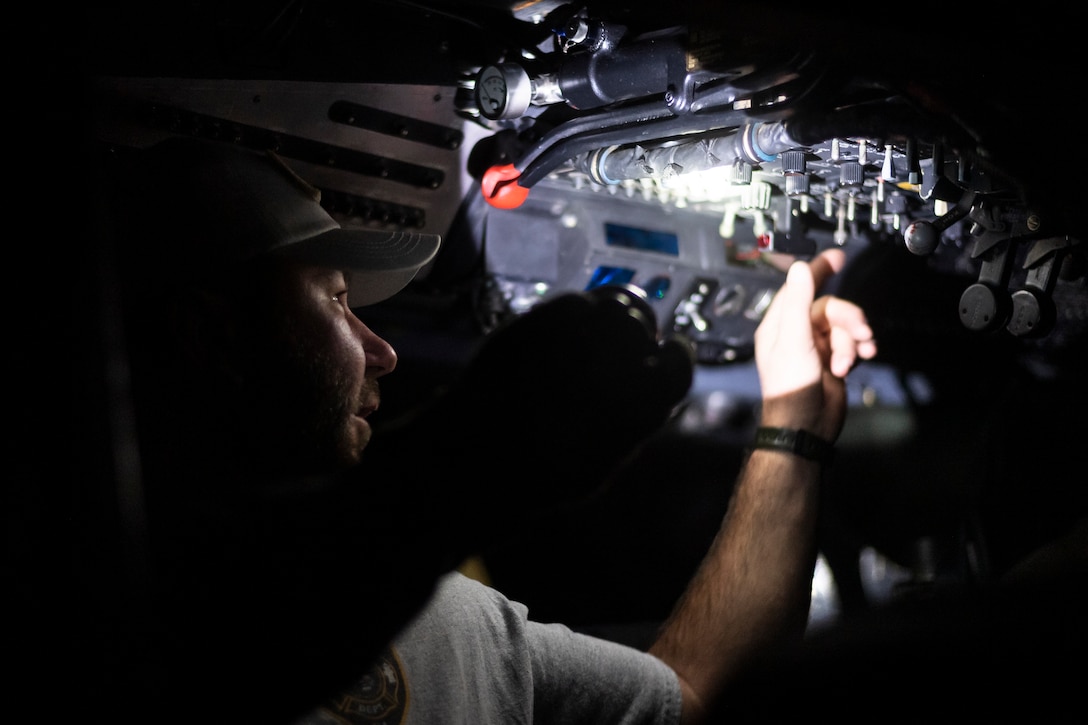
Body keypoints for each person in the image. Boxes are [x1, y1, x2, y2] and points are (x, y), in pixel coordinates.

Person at [87, 136, 876, 724]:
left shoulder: (446, 614)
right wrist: (475, 455)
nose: (383, 349)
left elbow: (697, 698)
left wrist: (792, 422)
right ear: (208, 336)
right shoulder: (127, 617)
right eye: (333, 300)